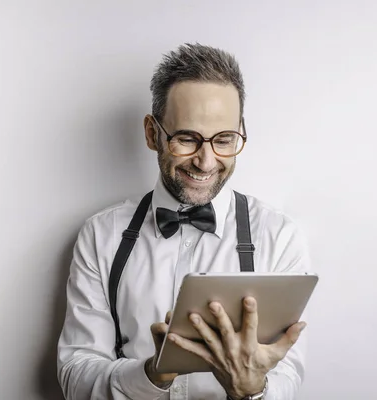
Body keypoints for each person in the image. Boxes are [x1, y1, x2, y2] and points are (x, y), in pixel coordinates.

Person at [57, 43, 311, 400]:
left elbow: (287, 375)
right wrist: (152, 374)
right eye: (187, 139)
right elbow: (75, 374)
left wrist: (254, 389)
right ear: (152, 134)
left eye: (224, 140)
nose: (206, 162)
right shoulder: (102, 236)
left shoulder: (279, 237)